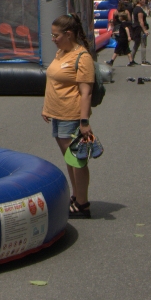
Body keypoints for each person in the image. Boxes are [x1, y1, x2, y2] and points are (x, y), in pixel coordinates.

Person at [42, 13, 97, 218]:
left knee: (77, 160)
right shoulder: (61, 53)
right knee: (69, 159)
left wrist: (84, 122)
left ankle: (82, 204)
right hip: (57, 114)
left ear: (68, 34)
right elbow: (54, 82)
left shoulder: (81, 57)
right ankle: (76, 196)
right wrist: (46, 107)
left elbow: (86, 92)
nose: (53, 39)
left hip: (71, 115)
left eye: (56, 35)